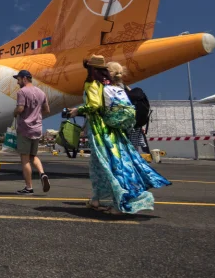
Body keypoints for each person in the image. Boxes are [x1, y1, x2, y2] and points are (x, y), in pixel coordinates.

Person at [69, 55, 170, 213]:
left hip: (101, 133)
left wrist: (78, 110)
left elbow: (94, 106)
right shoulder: (112, 86)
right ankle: (96, 200)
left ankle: (122, 204)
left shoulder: (93, 84)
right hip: (114, 129)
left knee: (111, 167)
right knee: (98, 167)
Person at [13, 70, 51, 194]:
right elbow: (47, 110)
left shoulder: (22, 92)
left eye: (18, 79)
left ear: (24, 79)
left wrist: (15, 113)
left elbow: (20, 108)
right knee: (33, 156)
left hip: (25, 128)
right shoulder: (41, 92)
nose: (17, 82)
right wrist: (36, 114)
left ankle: (29, 187)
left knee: (25, 159)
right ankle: (43, 174)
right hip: (37, 128)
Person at [107, 62, 146, 154]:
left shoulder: (110, 90)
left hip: (120, 129)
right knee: (133, 155)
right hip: (134, 126)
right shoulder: (126, 88)